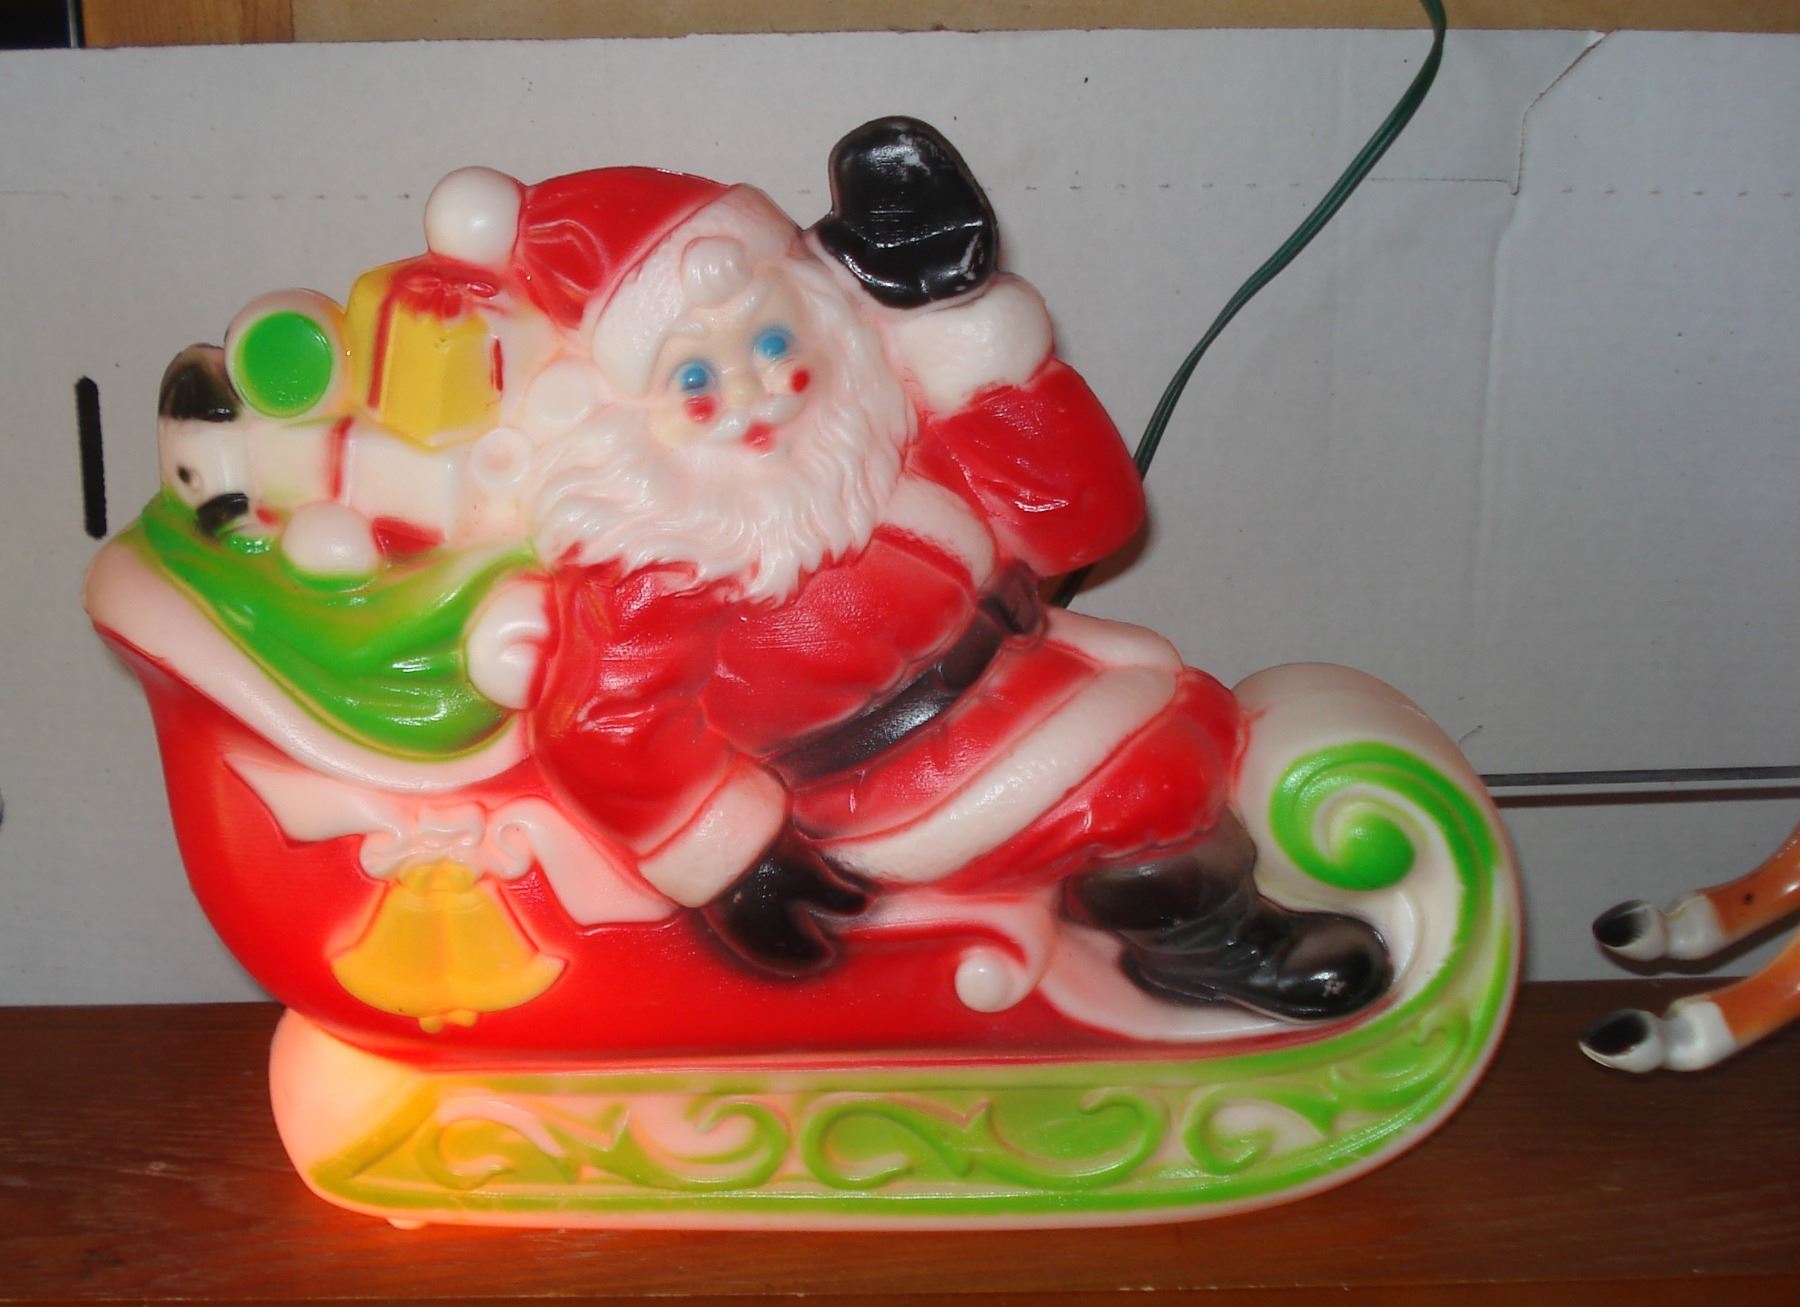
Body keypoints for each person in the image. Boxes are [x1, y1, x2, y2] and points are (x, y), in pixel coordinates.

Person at [438, 119, 1391, 1022]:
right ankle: (1213, 951)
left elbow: (1078, 522)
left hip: (1026, 681)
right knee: (1146, 784)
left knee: (1197, 731)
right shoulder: (662, 558)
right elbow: (609, 723)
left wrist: (974, 349)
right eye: (695, 378)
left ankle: (1170, 915)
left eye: (772, 345)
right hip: (895, 772)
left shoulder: (873, 440)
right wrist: (732, 859)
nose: (755, 393)